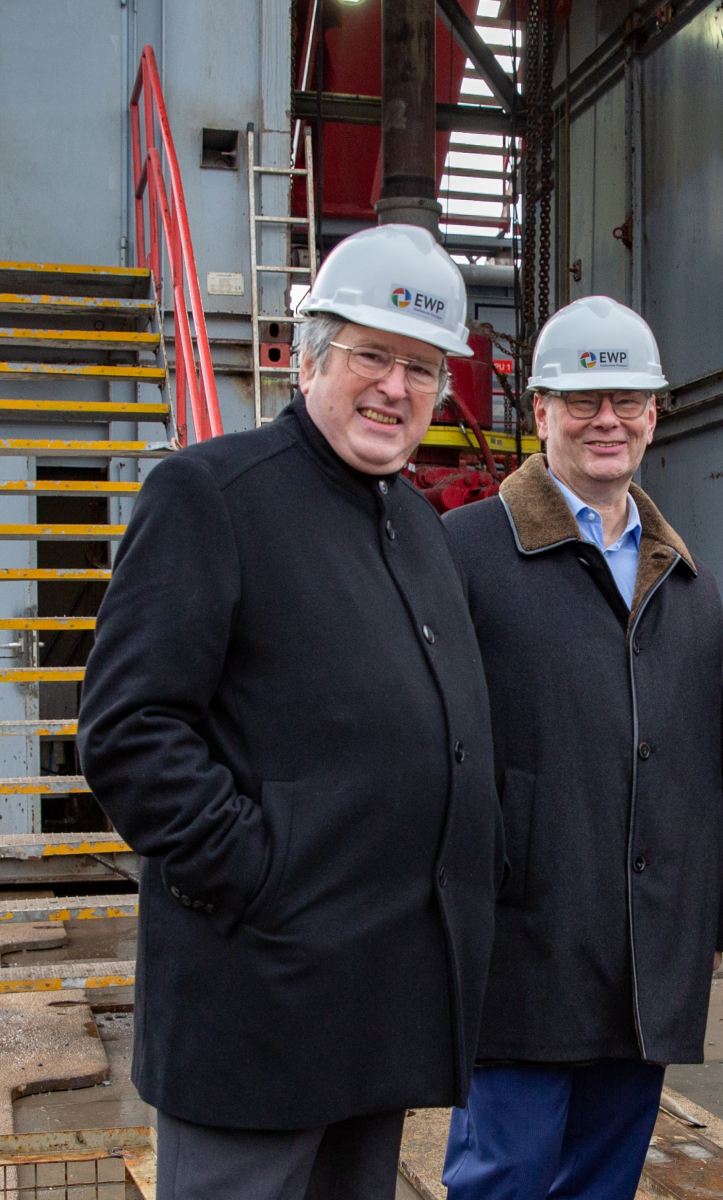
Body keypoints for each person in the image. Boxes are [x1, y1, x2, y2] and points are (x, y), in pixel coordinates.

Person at [78, 223, 502, 1200]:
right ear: (313, 355)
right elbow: (129, 731)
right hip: (258, 1011)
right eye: (374, 356)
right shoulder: (212, 497)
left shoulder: (419, 528)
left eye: (425, 369)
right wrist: (259, 872)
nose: (397, 388)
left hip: (377, 1008)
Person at [439, 295, 723, 1200]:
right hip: (520, 948)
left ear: (654, 413)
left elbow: (701, 770)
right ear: (539, 412)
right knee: (505, 1179)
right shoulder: (465, 553)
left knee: (603, 1185)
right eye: (581, 400)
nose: (607, 420)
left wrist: (704, 924)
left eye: (629, 400)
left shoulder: (687, 582)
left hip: (643, 961)